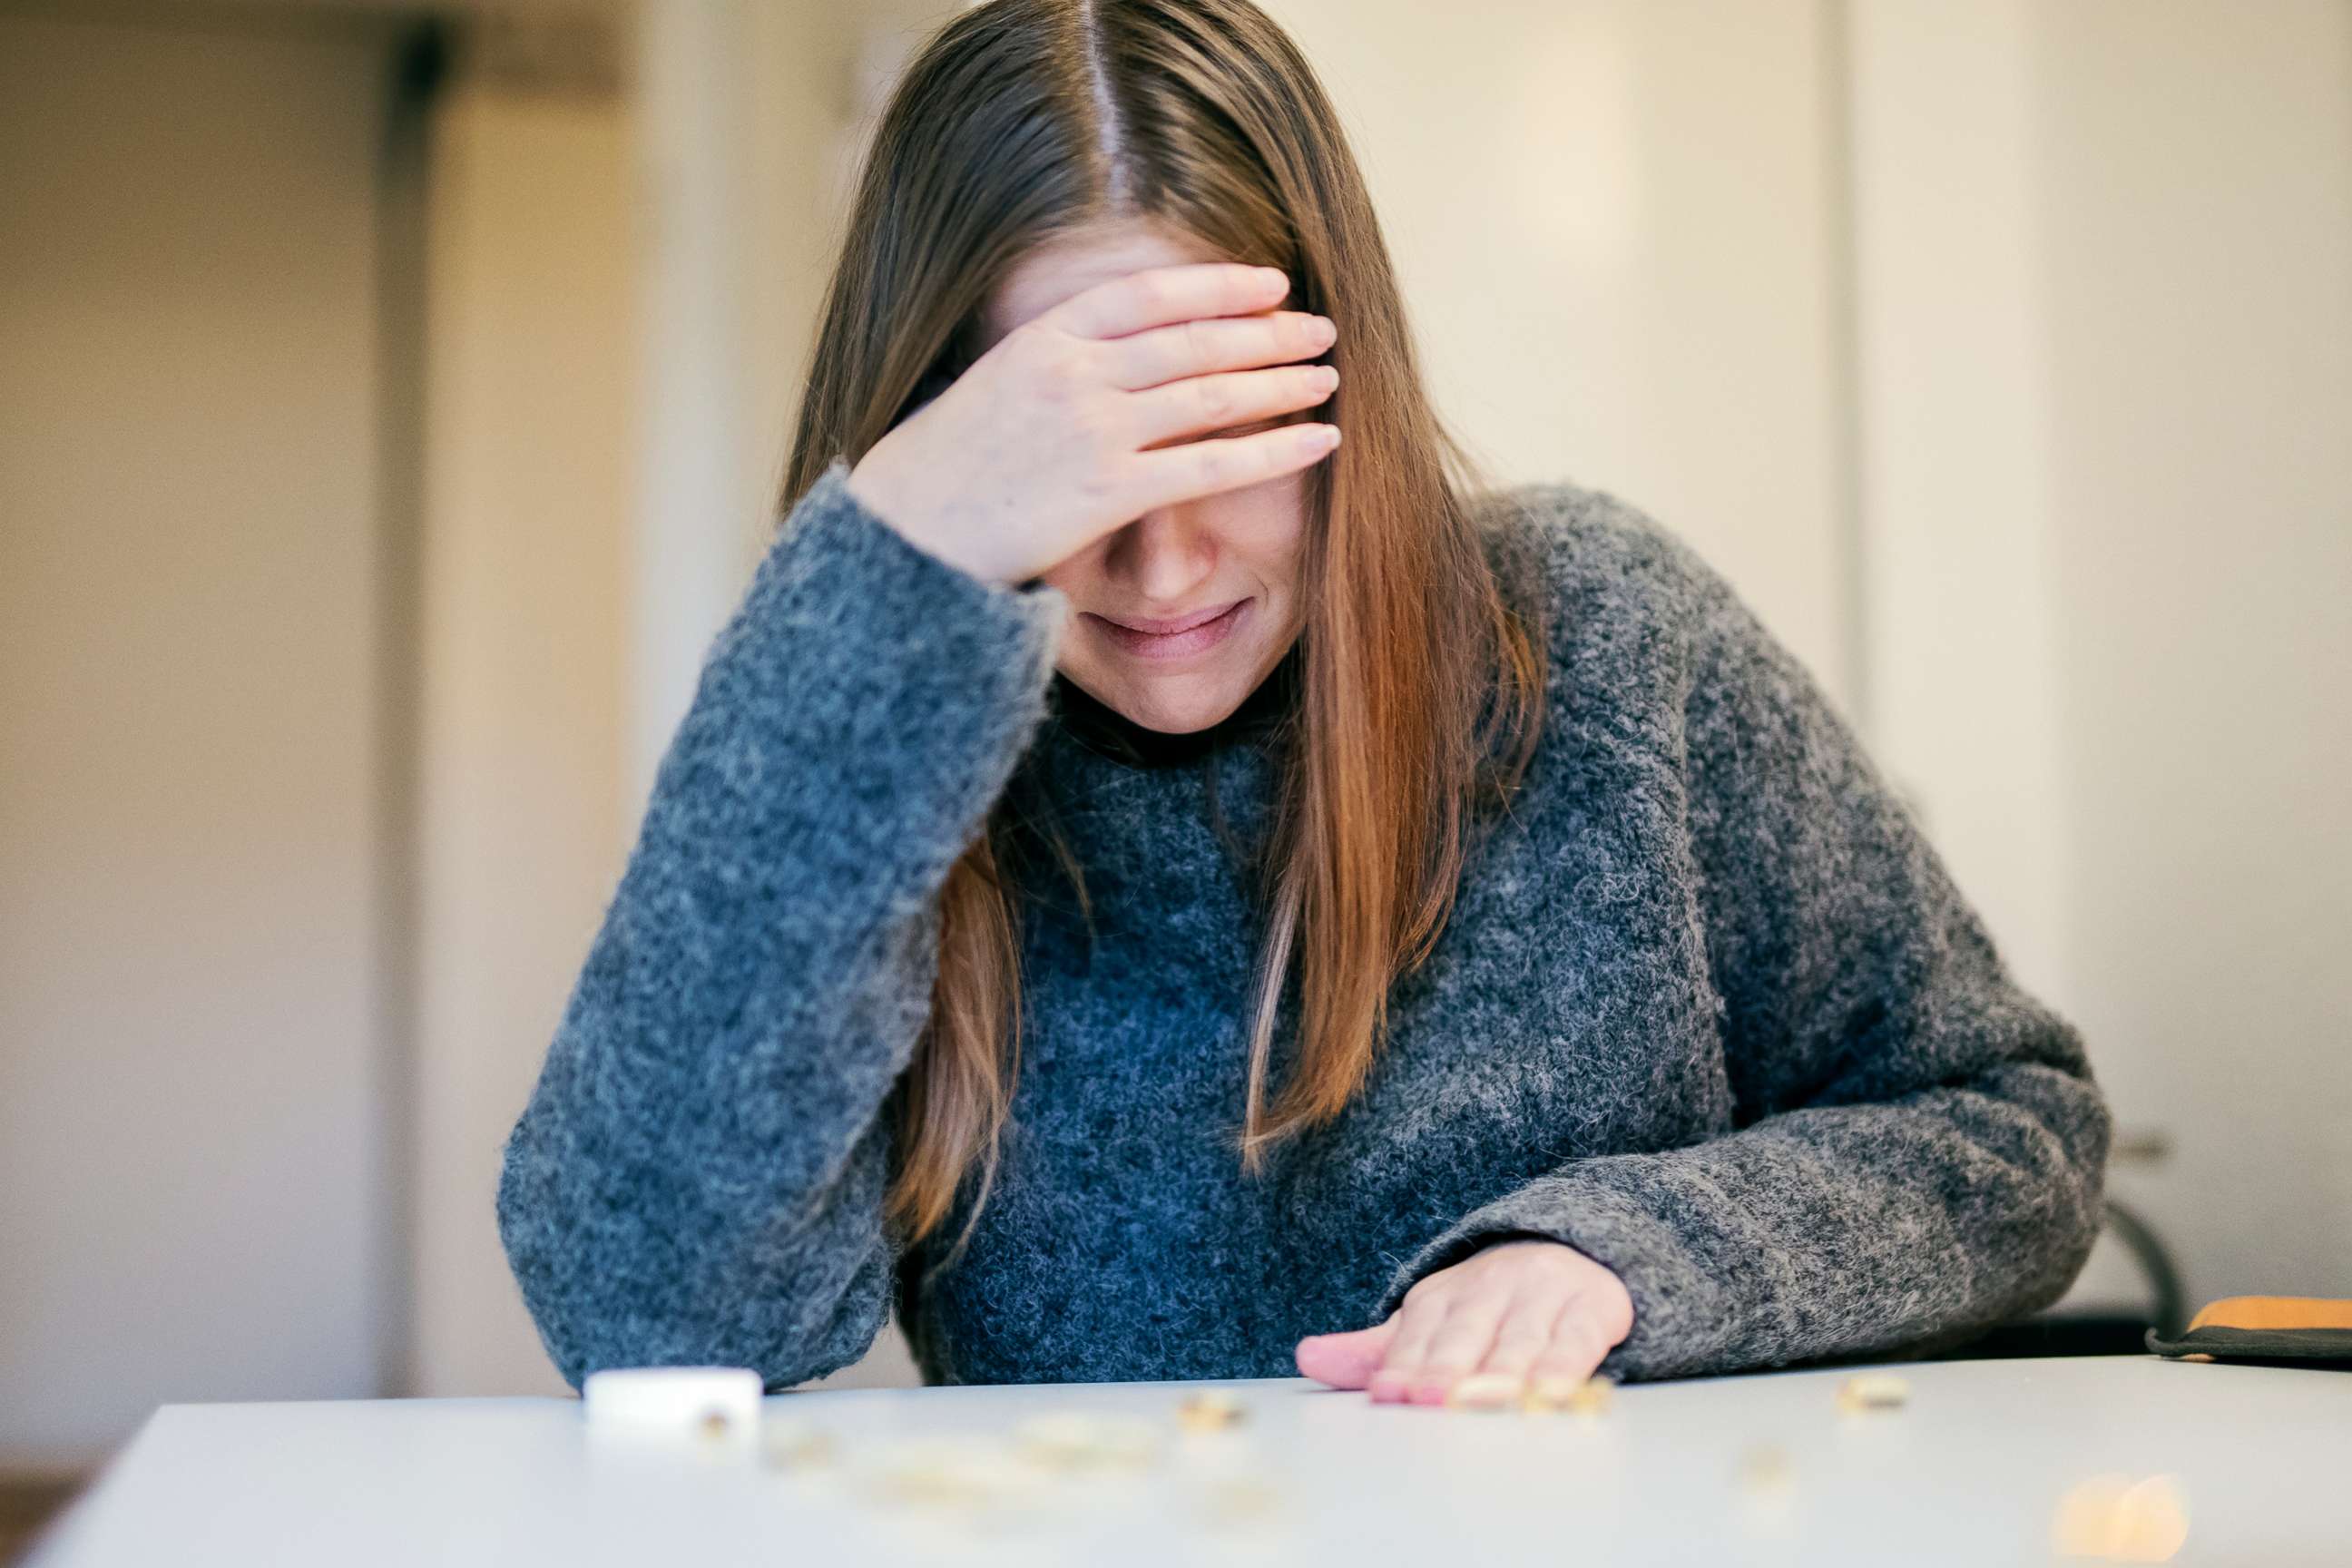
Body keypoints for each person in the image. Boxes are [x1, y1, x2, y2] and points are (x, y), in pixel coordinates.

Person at [495, 0, 2112, 1406]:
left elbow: (2009, 1133)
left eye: (1225, 434)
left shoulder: (1602, 635)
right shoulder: (878, 730)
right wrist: (877, 584)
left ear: (1346, 391)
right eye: (1072, 461)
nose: (1161, 557)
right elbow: (648, 1321)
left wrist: (1627, 1259)